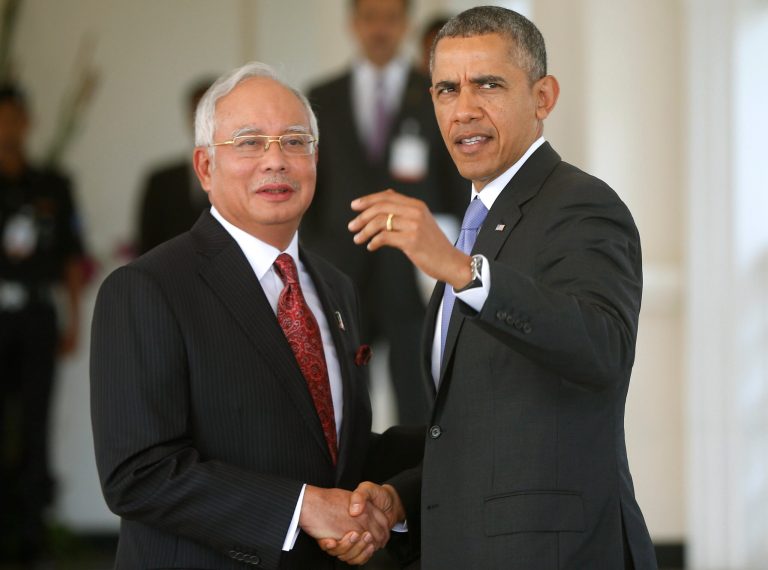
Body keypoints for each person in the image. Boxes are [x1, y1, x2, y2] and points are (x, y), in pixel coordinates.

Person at [325, 6, 658, 569]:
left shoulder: (581, 204)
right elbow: (478, 426)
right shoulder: (483, 215)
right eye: (446, 90)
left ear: (543, 97)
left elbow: (602, 348)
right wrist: (400, 495)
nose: (464, 110)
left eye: (489, 85)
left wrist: (461, 270)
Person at [90, 62, 420, 569]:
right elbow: (139, 474)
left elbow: (329, 445)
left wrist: (392, 492)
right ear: (204, 167)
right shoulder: (147, 289)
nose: (276, 161)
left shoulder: (336, 287)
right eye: (248, 142)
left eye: (294, 141)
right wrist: (301, 507)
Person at [303, 0, 465, 425]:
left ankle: (415, 489)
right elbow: (310, 188)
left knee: (417, 399)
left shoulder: (435, 93)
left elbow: (455, 185)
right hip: (339, 266)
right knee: (342, 401)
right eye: (370, 18)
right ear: (353, 24)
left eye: (390, 18)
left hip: (411, 269)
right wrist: (313, 254)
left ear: (406, 25)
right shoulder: (321, 97)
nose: (380, 29)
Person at [0, 84, 86, 564]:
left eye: (14, 117)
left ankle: (30, 536)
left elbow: (72, 259)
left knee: (36, 423)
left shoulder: (52, 185)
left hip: (36, 317)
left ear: (26, 122)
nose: (7, 127)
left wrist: (74, 320)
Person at [136, 77, 213, 255]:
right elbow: (147, 247)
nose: (206, 123)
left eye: (213, 114)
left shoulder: (245, 176)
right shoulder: (161, 182)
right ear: (189, 117)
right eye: (198, 113)